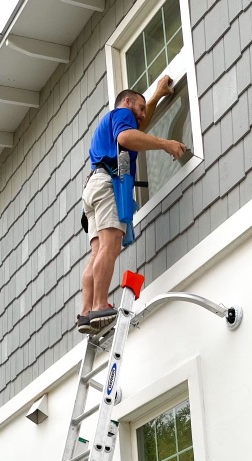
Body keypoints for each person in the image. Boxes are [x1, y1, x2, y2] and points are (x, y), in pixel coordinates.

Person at [78, 78, 186, 335]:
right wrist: (165, 143)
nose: (141, 114)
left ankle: (85, 313)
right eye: (139, 107)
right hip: (107, 184)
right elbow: (128, 136)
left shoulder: (112, 122)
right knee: (110, 246)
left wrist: (157, 95)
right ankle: (99, 306)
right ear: (126, 102)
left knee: (96, 253)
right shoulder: (121, 114)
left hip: (93, 187)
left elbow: (136, 128)